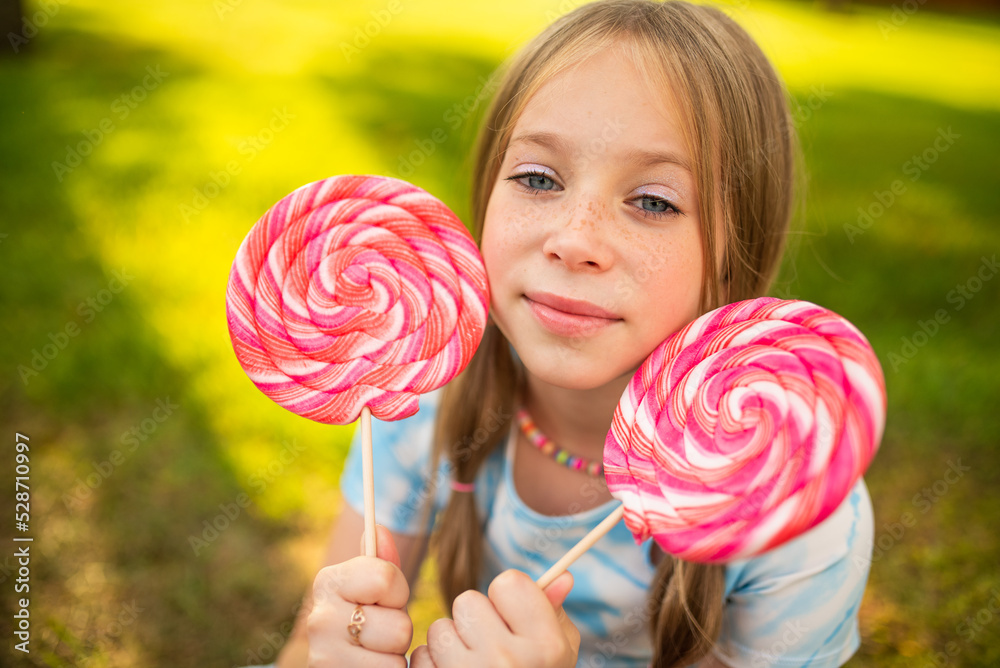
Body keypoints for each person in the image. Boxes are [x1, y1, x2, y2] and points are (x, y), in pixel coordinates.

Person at [261, 1, 875, 666]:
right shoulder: (413, 398)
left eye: (653, 201)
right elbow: (308, 647)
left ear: (735, 253)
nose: (576, 239)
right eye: (538, 178)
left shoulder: (792, 500)